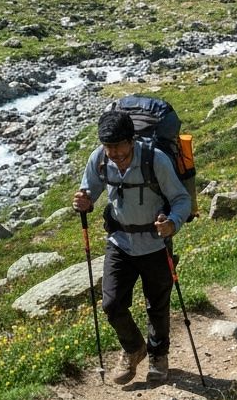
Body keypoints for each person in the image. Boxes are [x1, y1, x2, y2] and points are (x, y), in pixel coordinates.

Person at [73, 108, 192, 385]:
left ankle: (158, 356)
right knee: (112, 304)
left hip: (155, 242)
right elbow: (87, 192)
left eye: (120, 148)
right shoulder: (99, 159)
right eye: (109, 147)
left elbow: (181, 199)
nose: (115, 154)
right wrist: (83, 202)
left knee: (157, 305)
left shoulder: (156, 160)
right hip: (120, 242)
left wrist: (172, 223)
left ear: (132, 140)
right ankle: (133, 348)